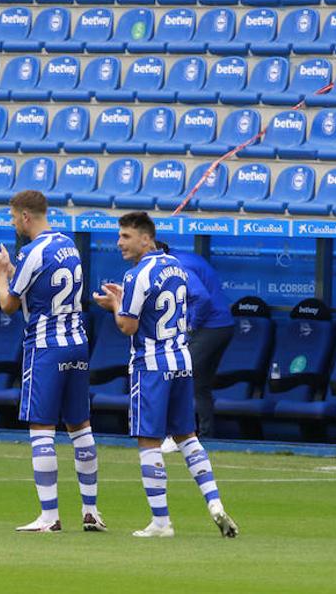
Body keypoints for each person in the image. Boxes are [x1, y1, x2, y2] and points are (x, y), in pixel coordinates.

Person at [92, 212, 239, 539]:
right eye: (119, 237)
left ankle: (161, 522)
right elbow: (189, 301)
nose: (119, 243)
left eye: (126, 237)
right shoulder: (176, 267)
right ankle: (214, 502)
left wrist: (115, 305)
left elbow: (127, 325)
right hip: (181, 360)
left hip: (152, 365)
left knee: (149, 440)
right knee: (187, 436)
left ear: (147, 239)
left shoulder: (136, 275)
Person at [0, 190, 104, 533]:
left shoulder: (31, 251)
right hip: (78, 343)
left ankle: (49, 516)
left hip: (46, 346)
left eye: (12, 216)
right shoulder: (68, 246)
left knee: (41, 429)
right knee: (80, 427)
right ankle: (91, 510)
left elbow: (8, 303)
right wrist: (11, 269)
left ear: (24, 217)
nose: (11, 222)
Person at [162, 244, 234, 440]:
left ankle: (177, 435)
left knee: (178, 376)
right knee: (199, 384)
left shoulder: (177, 265)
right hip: (222, 326)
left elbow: (202, 298)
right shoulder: (182, 256)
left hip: (211, 327)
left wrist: (191, 326)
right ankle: (206, 435)